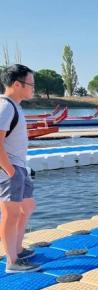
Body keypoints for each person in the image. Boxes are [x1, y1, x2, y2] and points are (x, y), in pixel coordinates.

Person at [0, 64, 38, 273]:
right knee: (11, 214)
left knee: (27, 207)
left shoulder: (15, 105)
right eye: (30, 84)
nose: (33, 89)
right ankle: (12, 261)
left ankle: (17, 248)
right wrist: (10, 171)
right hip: (10, 169)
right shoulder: (5, 106)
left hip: (19, 167)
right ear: (17, 84)